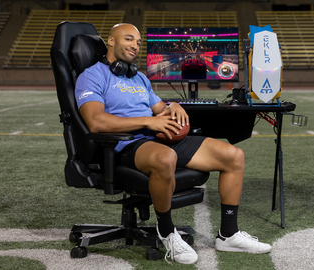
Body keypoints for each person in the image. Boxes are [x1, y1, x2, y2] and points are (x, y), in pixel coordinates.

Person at [75, 23, 271, 264]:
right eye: (128, 39)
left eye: (138, 42)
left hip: (157, 137)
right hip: (125, 144)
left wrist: (172, 107)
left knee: (233, 156)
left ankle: (228, 235)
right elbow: (96, 122)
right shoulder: (92, 76)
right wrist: (149, 121)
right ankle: (167, 232)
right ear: (111, 41)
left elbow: (160, 109)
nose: (135, 46)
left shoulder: (138, 77)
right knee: (165, 158)